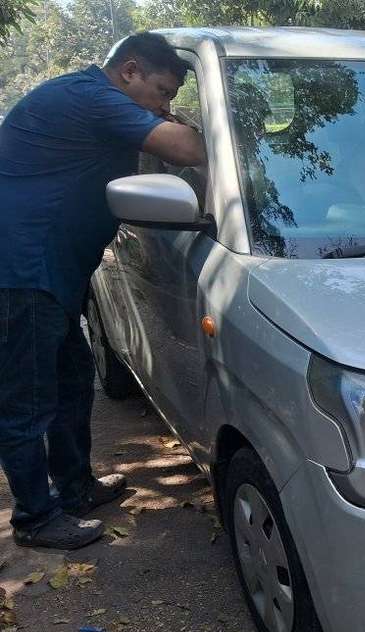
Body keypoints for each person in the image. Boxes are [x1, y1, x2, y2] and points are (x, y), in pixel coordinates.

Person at [0, 32, 206, 550]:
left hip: (52, 273)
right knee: (25, 402)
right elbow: (185, 150)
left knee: (71, 382)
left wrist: (165, 116)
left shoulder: (94, 98)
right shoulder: (93, 98)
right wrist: (231, 135)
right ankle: (34, 520)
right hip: (22, 273)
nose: (164, 106)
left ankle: (74, 489)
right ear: (130, 70)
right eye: (161, 92)